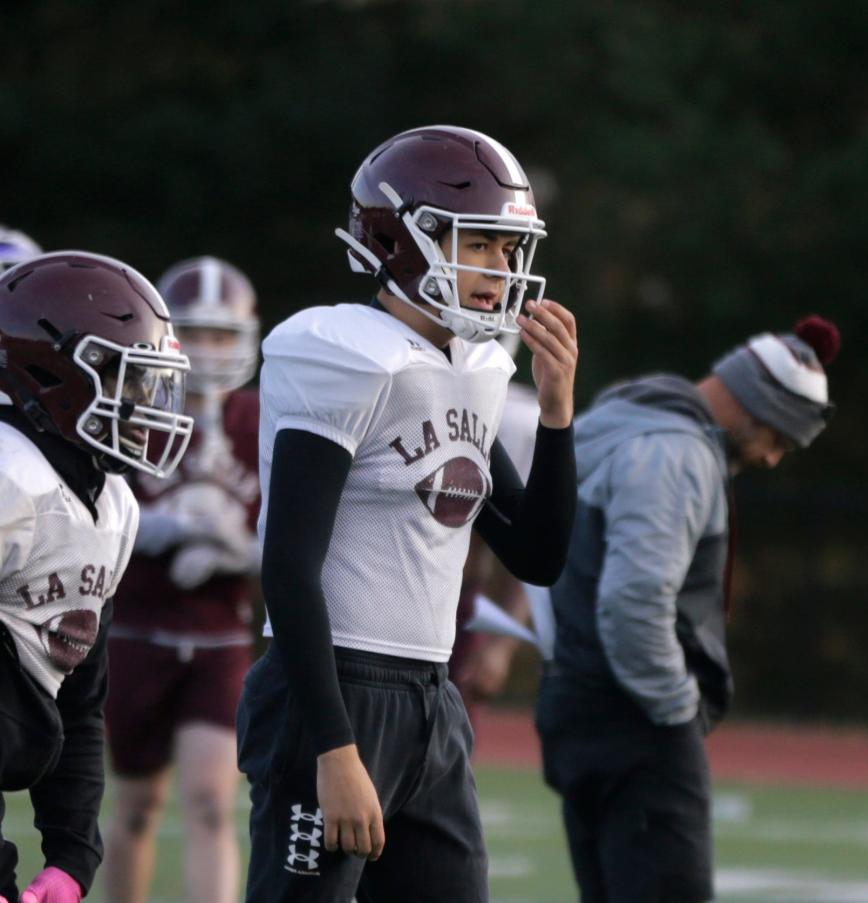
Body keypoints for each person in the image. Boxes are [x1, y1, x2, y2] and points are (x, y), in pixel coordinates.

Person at [236, 124, 578, 903]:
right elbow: (288, 564)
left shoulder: (474, 367)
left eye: (507, 247)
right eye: (480, 243)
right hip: (330, 686)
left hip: (432, 695)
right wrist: (334, 746)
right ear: (404, 240)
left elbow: (539, 554)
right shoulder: (346, 350)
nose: (501, 268)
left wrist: (556, 416)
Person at [536, 316, 841, 903]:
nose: (774, 459)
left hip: (574, 698)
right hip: (633, 720)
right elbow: (633, 601)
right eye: (779, 437)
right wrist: (675, 710)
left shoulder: (618, 419)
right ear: (756, 401)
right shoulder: (675, 453)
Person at [0, 251, 194, 903]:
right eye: (127, 379)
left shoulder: (112, 504)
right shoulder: (10, 481)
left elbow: (77, 693)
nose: (146, 404)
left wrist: (72, 854)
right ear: (48, 374)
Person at [102, 257, 261, 903]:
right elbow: (97, 513)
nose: (208, 349)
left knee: (211, 803)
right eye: (194, 332)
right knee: (137, 804)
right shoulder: (131, 408)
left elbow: (290, 540)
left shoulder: (261, 417)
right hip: (137, 630)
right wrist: (159, 529)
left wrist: (235, 550)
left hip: (220, 636)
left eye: (223, 334)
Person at [450, 379, 541, 729]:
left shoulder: (518, 418)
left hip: (462, 604)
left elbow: (532, 550)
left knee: (445, 757)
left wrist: (502, 645)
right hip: (386, 600)